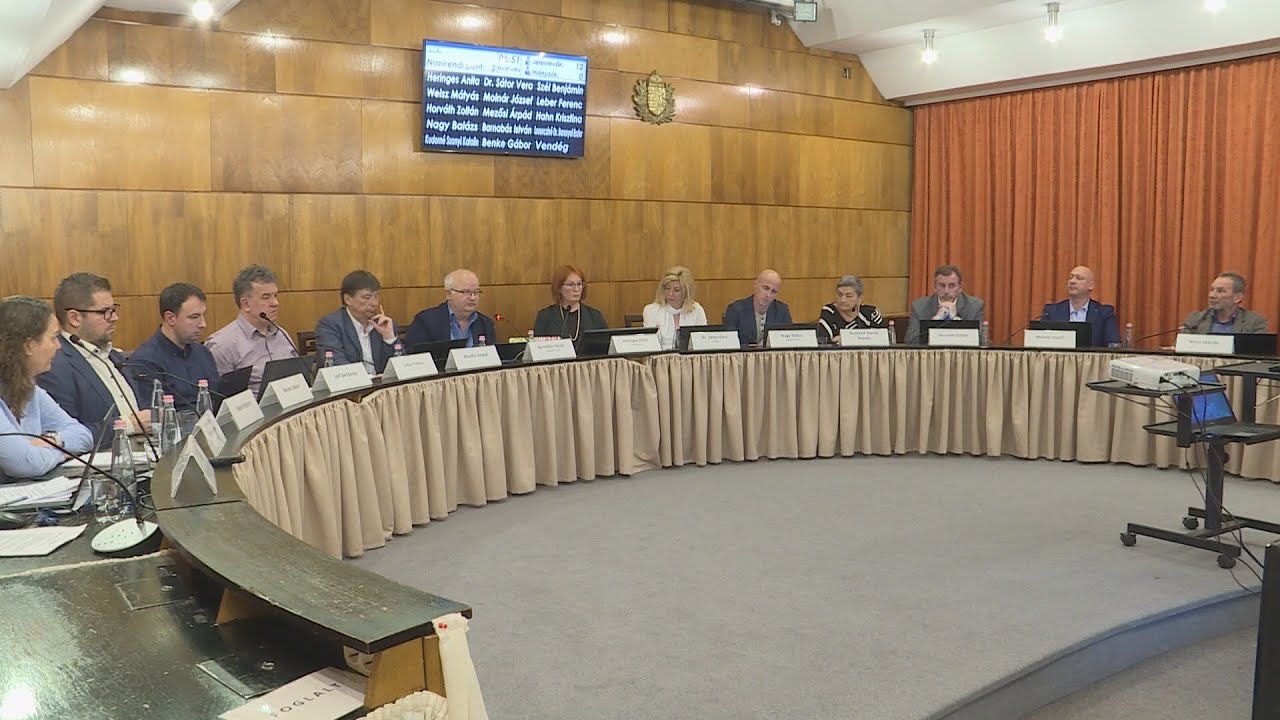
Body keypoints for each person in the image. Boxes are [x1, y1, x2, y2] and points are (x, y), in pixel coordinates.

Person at [38, 272, 149, 447]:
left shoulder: (113, 355)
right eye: (105, 312)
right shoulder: (54, 365)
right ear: (75, 318)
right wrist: (127, 425)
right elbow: (65, 436)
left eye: (113, 310)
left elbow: (140, 409)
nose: (115, 318)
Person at [0, 297, 94, 481]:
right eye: (53, 338)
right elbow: (26, 464)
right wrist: (64, 453)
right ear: (29, 346)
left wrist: (51, 441)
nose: (58, 346)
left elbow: (83, 435)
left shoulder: (29, 389)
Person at [126, 283, 221, 413]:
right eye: (194, 317)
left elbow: (217, 398)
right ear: (170, 318)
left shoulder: (203, 352)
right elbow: (155, 416)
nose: (203, 324)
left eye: (203, 315)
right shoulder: (144, 362)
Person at [205, 265, 297, 394]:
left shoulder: (282, 334)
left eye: (275, 296)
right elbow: (220, 397)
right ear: (246, 304)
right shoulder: (222, 344)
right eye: (266, 297)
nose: (275, 303)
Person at [314, 270, 399, 375]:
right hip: (351, 383)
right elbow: (336, 364)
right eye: (367, 297)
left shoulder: (385, 324)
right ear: (348, 299)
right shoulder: (330, 325)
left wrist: (389, 338)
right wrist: (367, 379)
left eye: (376, 296)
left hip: (382, 384)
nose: (374, 303)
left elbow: (401, 367)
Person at [405, 269, 496, 349]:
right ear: (448, 294)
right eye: (466, 292)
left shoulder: (485, 323)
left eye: (476, 292)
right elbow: (413, 355)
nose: (473, 298)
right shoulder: (426, 321)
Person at [1040, 266, 1121, 347]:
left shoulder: (1104, 313)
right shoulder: (1052, 311)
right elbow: (1041, 342)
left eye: (1079, 278)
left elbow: (1113, 344)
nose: (1072, 281)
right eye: (1070, 277)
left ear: (1091, 285)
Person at [905, 264, 986, 345]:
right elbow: (910, 340)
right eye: (942, 285)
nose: (946, 291)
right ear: (935, 287)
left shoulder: (975, 306)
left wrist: (955, 319)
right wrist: (934, 322)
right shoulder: (919, 307)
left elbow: (981, 340)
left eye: (951, 286)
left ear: (960, 287)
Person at [533, 265, 608, 346]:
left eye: (579, 284)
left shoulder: (594, 316)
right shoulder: (545, 317)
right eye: (570, 285)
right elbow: (538, 348)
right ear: (559, 288)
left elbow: (605, 345)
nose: (576, 289)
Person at [1182, 272, 1270, 334]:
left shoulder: (1254, 322)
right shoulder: (1195, 320)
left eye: (1220, 291)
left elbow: (1259, 353)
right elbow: (1180, 350)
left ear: (1237, 298)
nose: (1211, 295)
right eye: (1212, 290)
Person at [643, 266, 707, 350]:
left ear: (686, 292)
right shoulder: (651, 310)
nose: (670, 293)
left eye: (676, 290)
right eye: (667, 288)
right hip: (661, 357)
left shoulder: (697, 310)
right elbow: (650, 345)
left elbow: (702, 343)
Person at [723, 269, 792, 346]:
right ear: (755, 285)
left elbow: (787, 342)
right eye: (766, 288)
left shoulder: (782, 311)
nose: (768, 295)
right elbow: (729, 343)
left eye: (773, 292)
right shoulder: (735, 309)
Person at [817, 275, 886, 344]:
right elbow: (822, 341)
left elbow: (882, 340)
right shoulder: (829, 311)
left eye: (849, 296)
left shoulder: (872, 313)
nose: (843, 300)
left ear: (860, 298)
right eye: (839, 295)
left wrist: (847, 340)